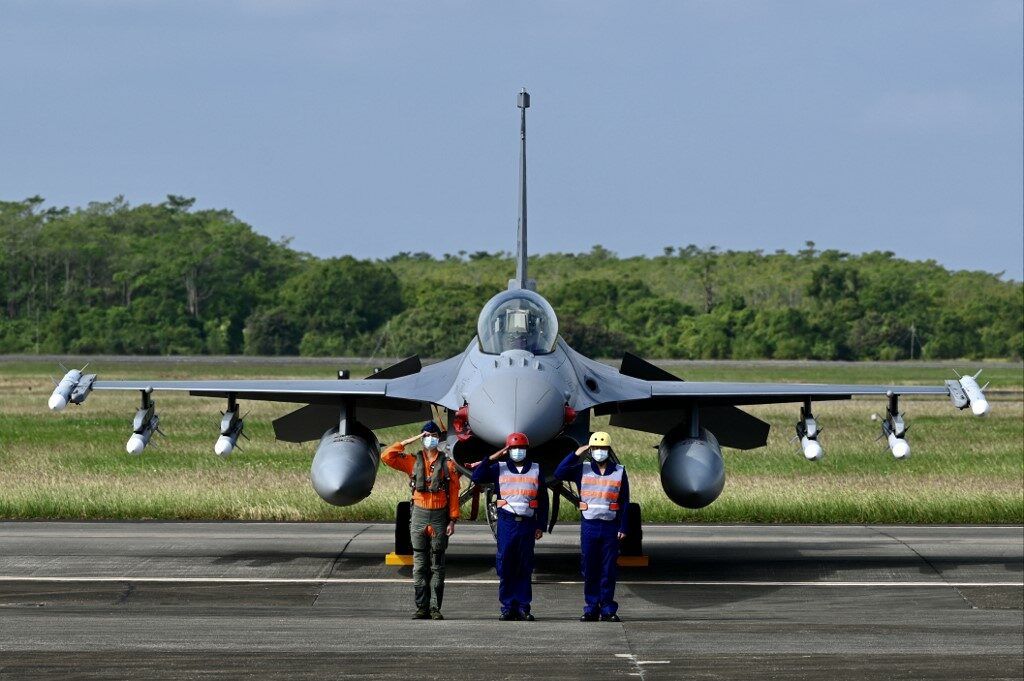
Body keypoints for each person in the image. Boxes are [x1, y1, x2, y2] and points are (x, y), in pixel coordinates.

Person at [381, 421, 460, 620]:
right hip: (419, 516)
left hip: (440, 517)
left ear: (438, 438)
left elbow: (454, 493)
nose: (430, 438)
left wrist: (453, 520)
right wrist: (411, 439)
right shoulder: (412, 462)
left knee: (437, 564)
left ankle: (435, 608)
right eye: (426, 435)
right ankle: (421, 607)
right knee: (419, 565)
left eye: (433, 435)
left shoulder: (448, 465)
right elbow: (386, 455)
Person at [470, 432, 549, 621]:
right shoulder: (499, 468)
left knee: (524, 565)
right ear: (508, 450)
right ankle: (507, 607)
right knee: (505, 564)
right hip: (506, 523)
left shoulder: (536, 470)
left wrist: (540, 525)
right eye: (514, 449)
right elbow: (477, 477)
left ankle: (523, 606)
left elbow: (543, 500)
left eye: (521, 448)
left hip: (527, 523)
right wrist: (491, 458)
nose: (518, 452)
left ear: (526, 450)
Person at [553, 431, 630, 622]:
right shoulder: (582, 470)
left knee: (608, 569)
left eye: (602, 448)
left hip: (611, 526)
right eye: (595, 448)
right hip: (590, 526)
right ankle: (591, 608)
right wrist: (576, 453)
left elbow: (625, 501)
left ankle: (608, 609)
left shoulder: (619, 471)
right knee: (590, 568)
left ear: (608, 450)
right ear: (591, 450)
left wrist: (624, 527)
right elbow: (559, 473)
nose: (599, 452)